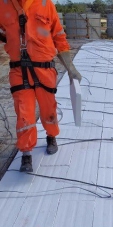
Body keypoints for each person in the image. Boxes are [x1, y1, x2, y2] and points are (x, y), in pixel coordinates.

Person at [0, 0, 81, 172]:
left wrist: (71, 68)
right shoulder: (3, 5)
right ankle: (26, 153)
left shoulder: (46, 5)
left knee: (48, 109)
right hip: (18, 70)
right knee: (24, 113)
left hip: (44, 69)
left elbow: (59, 37)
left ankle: (51, 136)